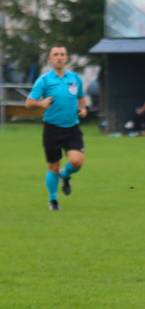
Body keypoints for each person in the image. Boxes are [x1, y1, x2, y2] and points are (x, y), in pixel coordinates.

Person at [24, 45, 87, 211]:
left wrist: (83, 109)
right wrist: (40, 103)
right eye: (55, 55)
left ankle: (65, 176)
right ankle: (53, 200)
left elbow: (81, 98)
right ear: (50, 59)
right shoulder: (44, 80)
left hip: (72, 128)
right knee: (53, 166)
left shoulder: (75, 78)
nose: (59, 57)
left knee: (77, 161)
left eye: (62, 55)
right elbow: (29, 103)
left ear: (66, 59)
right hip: (52, 129)